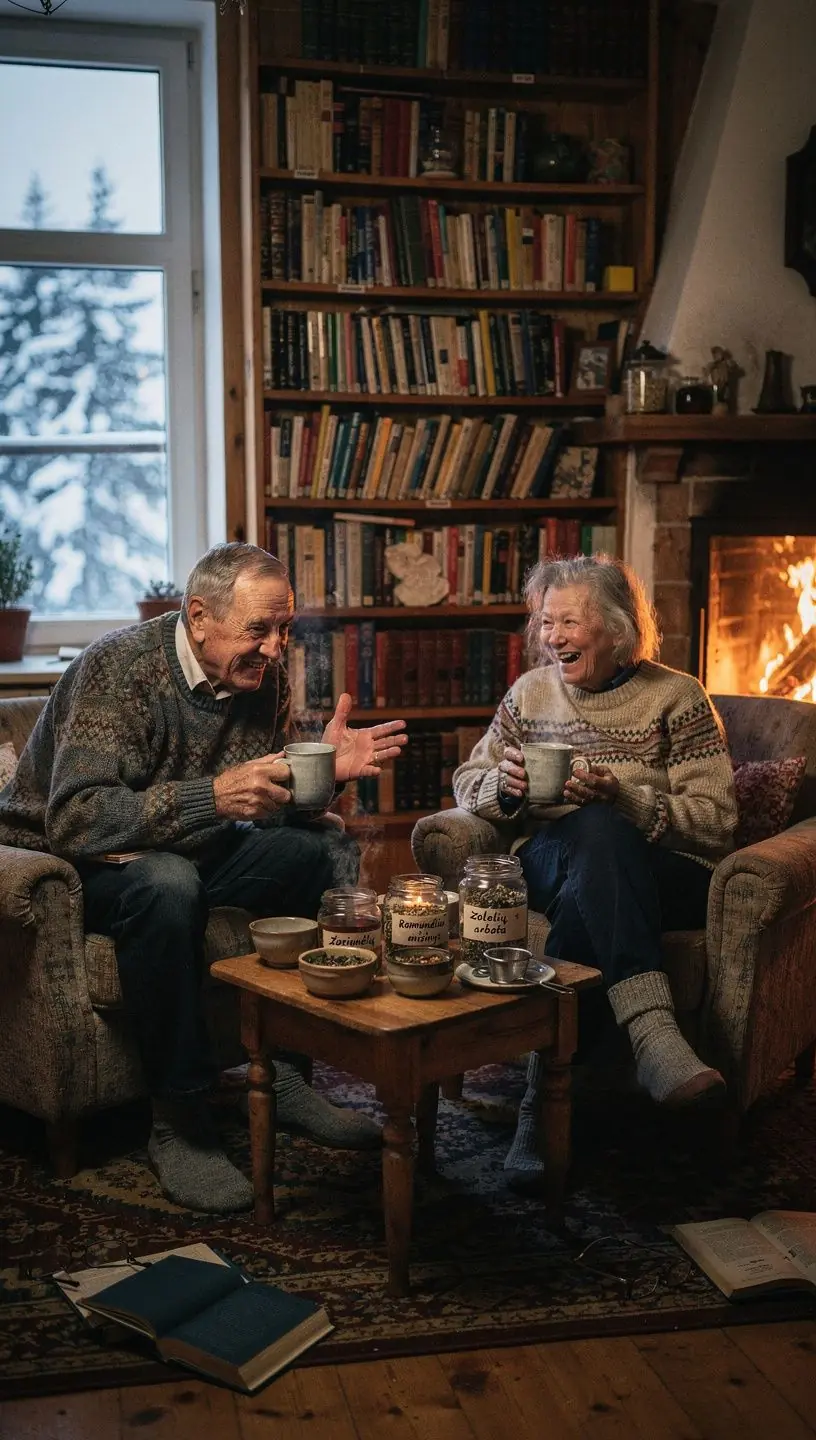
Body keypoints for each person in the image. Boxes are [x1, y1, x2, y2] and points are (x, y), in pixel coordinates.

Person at [0, 543, 407, 1213]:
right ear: (198, 616)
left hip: (191, 846)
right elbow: (74, 819)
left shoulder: (262, 679)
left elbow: (263, 810)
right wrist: (212, 798)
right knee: (167, 884)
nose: (277, 648)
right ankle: (181, 1122)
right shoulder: (117, 669)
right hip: (72, 867)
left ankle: (285, 1072)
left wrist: (320, 784)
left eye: (284, 629)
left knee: (317, 856)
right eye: (260, 630)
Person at [453, 554, 738, 1194]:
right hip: (551, 856)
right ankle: (653, 1034)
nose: (551, 637)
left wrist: (627, 798)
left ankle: (538, 1095)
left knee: (605, 835)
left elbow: (717, 821)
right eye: (545, 621)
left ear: (616, 629)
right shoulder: (529, 692)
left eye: (569, 623)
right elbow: (467, 782)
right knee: (592, 836)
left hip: (665, 872)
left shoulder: (677, 696)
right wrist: (505, 785)